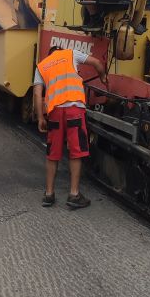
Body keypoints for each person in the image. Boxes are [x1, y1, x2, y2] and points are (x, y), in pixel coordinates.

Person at [33, 46, 106, 209]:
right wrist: (103, 77)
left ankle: (49, 195)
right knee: (76, 150)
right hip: (74, 109)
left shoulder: (42, 66)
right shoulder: (70, 54)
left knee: (53, 153)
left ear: (49, 54)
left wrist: (40, 118)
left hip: (55, 112)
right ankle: (74, 194)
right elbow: (97, 63)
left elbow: (37, 94)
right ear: (60, 50)